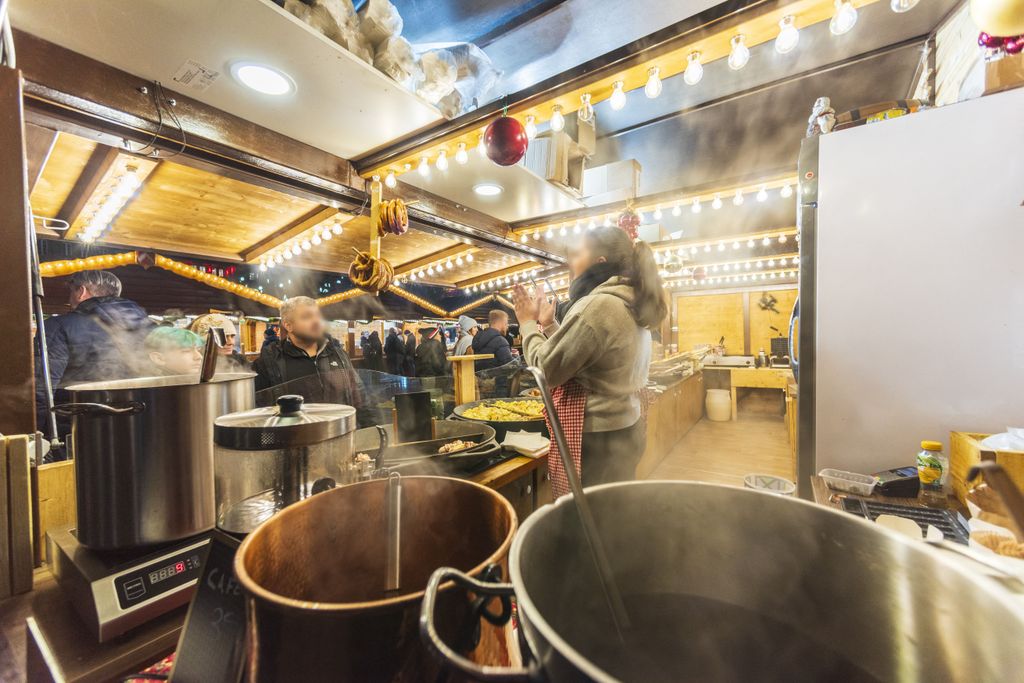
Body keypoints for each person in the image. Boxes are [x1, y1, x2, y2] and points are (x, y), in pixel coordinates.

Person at [512, 225, 667, 491]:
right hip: (624, 430)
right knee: (612, 514)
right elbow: (587, 356)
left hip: (598, 441)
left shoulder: (597, 305)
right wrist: (549, 326)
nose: (571, 262)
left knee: (590, 521)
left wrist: (527, 323)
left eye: (578, 254)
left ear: (600, 261)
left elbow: (546, 370)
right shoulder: (628, 300)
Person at [35, 270, 154, 439]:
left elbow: (42, 387)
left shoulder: (60, 326)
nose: (69, 298)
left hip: (77, 428)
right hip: (138, 423)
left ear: (81, 291)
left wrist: (39, 434)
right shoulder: (147, 326)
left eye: (71, 291)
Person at [252, 297, 373, 425]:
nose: (316, 321)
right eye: (306, 317)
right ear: (288, 325)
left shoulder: (338, 354)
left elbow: (360, 398)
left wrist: (370, 432)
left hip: (341, 433)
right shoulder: (269, 362)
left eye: (317, 316)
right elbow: (260, 413)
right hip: (296, 439)